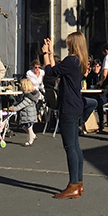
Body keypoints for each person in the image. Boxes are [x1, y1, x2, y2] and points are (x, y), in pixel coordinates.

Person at [42, 32, 87, 199]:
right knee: (75, 146)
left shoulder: (71, 60)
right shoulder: (79, 61)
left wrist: (46, 55)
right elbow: (57, 71)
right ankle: (79, 183)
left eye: (69, 43)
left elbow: (50, 73)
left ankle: (73, 184)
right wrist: (50, 53)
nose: (67, 45)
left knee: (70, 147)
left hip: (68, 105)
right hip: (76, 104)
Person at [9, 77, 43, 146]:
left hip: (29, 115)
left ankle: (30, 141)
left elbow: (21, 105)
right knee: (24, 127)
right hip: (28, 114)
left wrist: (14, 108)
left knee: (29, 127)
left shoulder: (28, 97)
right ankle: (33, 136)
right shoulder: (28, 95)